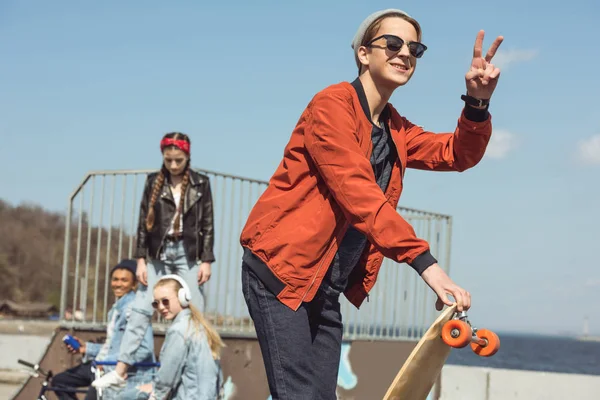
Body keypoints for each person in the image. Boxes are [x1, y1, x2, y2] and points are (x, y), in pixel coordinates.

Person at [239, 8, 503, 399]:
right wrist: (426, 265)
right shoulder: (331, 106)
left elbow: (456, 153)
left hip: (324, 286)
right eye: (392, 44)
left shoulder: (396, 128)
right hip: (281, 272)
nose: (404, 54)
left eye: (414, 47)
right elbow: (358, 191)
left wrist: (477, 104)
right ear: (364, 54)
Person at [92, 132, 216, 389]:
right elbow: (142, 224)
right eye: (169, 160)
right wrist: (140, 259)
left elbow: (207, 223)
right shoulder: (153, 183)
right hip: (158, 254)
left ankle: (208, 376)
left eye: (178, 160)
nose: (173, 165)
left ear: (187, 157)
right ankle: (121, 369)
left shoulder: (201, 183)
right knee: (139, 309)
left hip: (188, 254)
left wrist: (206, 259)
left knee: (196, 314)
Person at [52, 259, 155, 400]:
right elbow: (114, 347)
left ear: (134, 284)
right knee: (60, 382)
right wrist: (86, 348)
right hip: (103, 368)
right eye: (115, 279)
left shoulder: (133, 310)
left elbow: (145, 349)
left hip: (120, 374)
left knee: (60, 382)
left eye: (124, 280)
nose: (118, 284)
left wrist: (108, 362)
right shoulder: (116, 309)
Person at [120, 275, 225, 400]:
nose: (161, 307)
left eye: (165, 301)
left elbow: (167, 377)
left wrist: (156, 395)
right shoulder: (198, 326)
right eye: (156, 303)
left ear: (182, 297)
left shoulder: (179, 330)